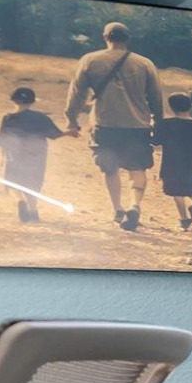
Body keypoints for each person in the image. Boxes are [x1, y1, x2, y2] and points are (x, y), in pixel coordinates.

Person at [65, 21, 164, 231]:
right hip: (138, 126)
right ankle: (134, 206)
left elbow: (76, 95)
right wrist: (158, 123)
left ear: (105, 37)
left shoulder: (89, 60)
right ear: (127, 39)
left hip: (105, 125)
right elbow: (155, 97)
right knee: (137, 169)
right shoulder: (145, 63)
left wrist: (72, 119)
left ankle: (118, 209)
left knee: (110, 169)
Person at [0, 85, 64, 224]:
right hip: (37, 156)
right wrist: (70, 132)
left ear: (13, 101)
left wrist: (3, 157)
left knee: (12, 183)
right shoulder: (41, 117)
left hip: (14, 155)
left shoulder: (8, 119)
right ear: (32, 102)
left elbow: (3, 141)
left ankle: (19, 200)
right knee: (33, 183)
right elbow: (55, 135)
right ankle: (33, 211)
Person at [152, 93, 192, 230]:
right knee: (190, 185)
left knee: (176, 192)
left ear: (171, 107)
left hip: (171, 165)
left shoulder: (166, 124)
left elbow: (155, 142)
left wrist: (153, 125)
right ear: (190, 106)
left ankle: (184, 219)